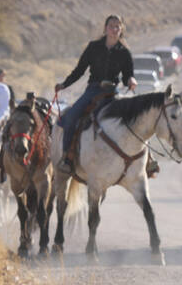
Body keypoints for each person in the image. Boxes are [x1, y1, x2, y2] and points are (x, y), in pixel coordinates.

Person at [54, 14, 135, 175]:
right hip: (93, 90)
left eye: (118, 26)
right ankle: (67, 157)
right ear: (105, 28)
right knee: (70, 117)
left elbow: (127, 75)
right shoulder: (93, 47)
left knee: (133, 118)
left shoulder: (124, 52)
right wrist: (64, 84)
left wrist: (131, 80)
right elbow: (79, 70)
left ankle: (145, 162)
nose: (114, 29)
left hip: (112, 93)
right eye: (111, 26)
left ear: (121, 30)